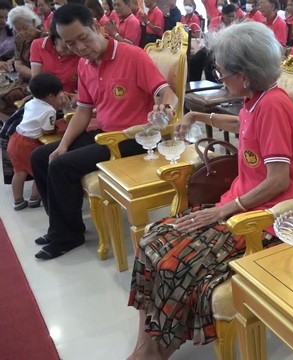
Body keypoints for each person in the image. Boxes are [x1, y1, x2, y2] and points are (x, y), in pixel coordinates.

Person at [127, 21, 293, 359]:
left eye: (222, 72)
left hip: (265, 220)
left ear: (244, 74)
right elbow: (243, 125)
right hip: (238, 206)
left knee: (172, 261)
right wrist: (199, 115)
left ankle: (156, 350)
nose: (219, 78)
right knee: (150, 240)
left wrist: (225, 209)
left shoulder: (273, 106)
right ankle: (146, 346)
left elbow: (279, 180)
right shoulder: (255, 100)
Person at [30, 4, 178, 260]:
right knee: (42, 156)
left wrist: (164, 110)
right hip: (104, 133)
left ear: (97, 27)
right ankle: (61, 224)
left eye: (83, 38)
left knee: (62, 166)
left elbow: (166, 93)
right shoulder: (85, 65)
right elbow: (83, 112)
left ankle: (67, 236)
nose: (80, 47)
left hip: (132, 139)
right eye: (71, 44)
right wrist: (62, 145)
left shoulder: (133, 56)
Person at [7, 73, 64, 210]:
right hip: (29, 143)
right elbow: (47, 131)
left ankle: (18, 201)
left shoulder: (30, 102)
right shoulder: (49, 110)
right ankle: (34, 198)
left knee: (19, 172)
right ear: (51, 96)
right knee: (39, 171)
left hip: (15, 139)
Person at [3, 5, 41, 116]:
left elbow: (44, 71)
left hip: (38, 83)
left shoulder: (44, 39)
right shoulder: (19, 40)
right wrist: (34, 73)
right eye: (18, 29)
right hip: (23, 79)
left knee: (10, 96)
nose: (23, 32)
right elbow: (18, 64)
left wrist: (36, 75)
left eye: (25, 28)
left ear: (33, 23)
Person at [30, 17, 80, 94]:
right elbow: (36, 80)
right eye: (65, 47)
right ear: (55, 39)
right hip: (45, 96)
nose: (71, 49)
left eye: (74, 45)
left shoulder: (81, 52)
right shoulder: (38, 45)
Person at [0, 0, 14, 66]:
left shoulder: (14, 30)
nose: (4, 21)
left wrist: (13, 60)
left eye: (7, 17)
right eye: (0, 17)